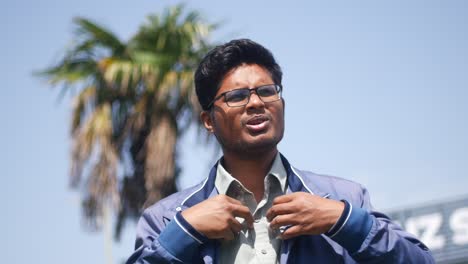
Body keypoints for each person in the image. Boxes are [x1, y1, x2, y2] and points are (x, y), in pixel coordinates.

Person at [127, 39, 434, 263]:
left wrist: (343, 221)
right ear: (209, 120)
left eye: (266, 91)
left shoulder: (343, 198)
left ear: (281, 104)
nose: (256, 102)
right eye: (236, 96)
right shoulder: (167, 219)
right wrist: (185, 231)